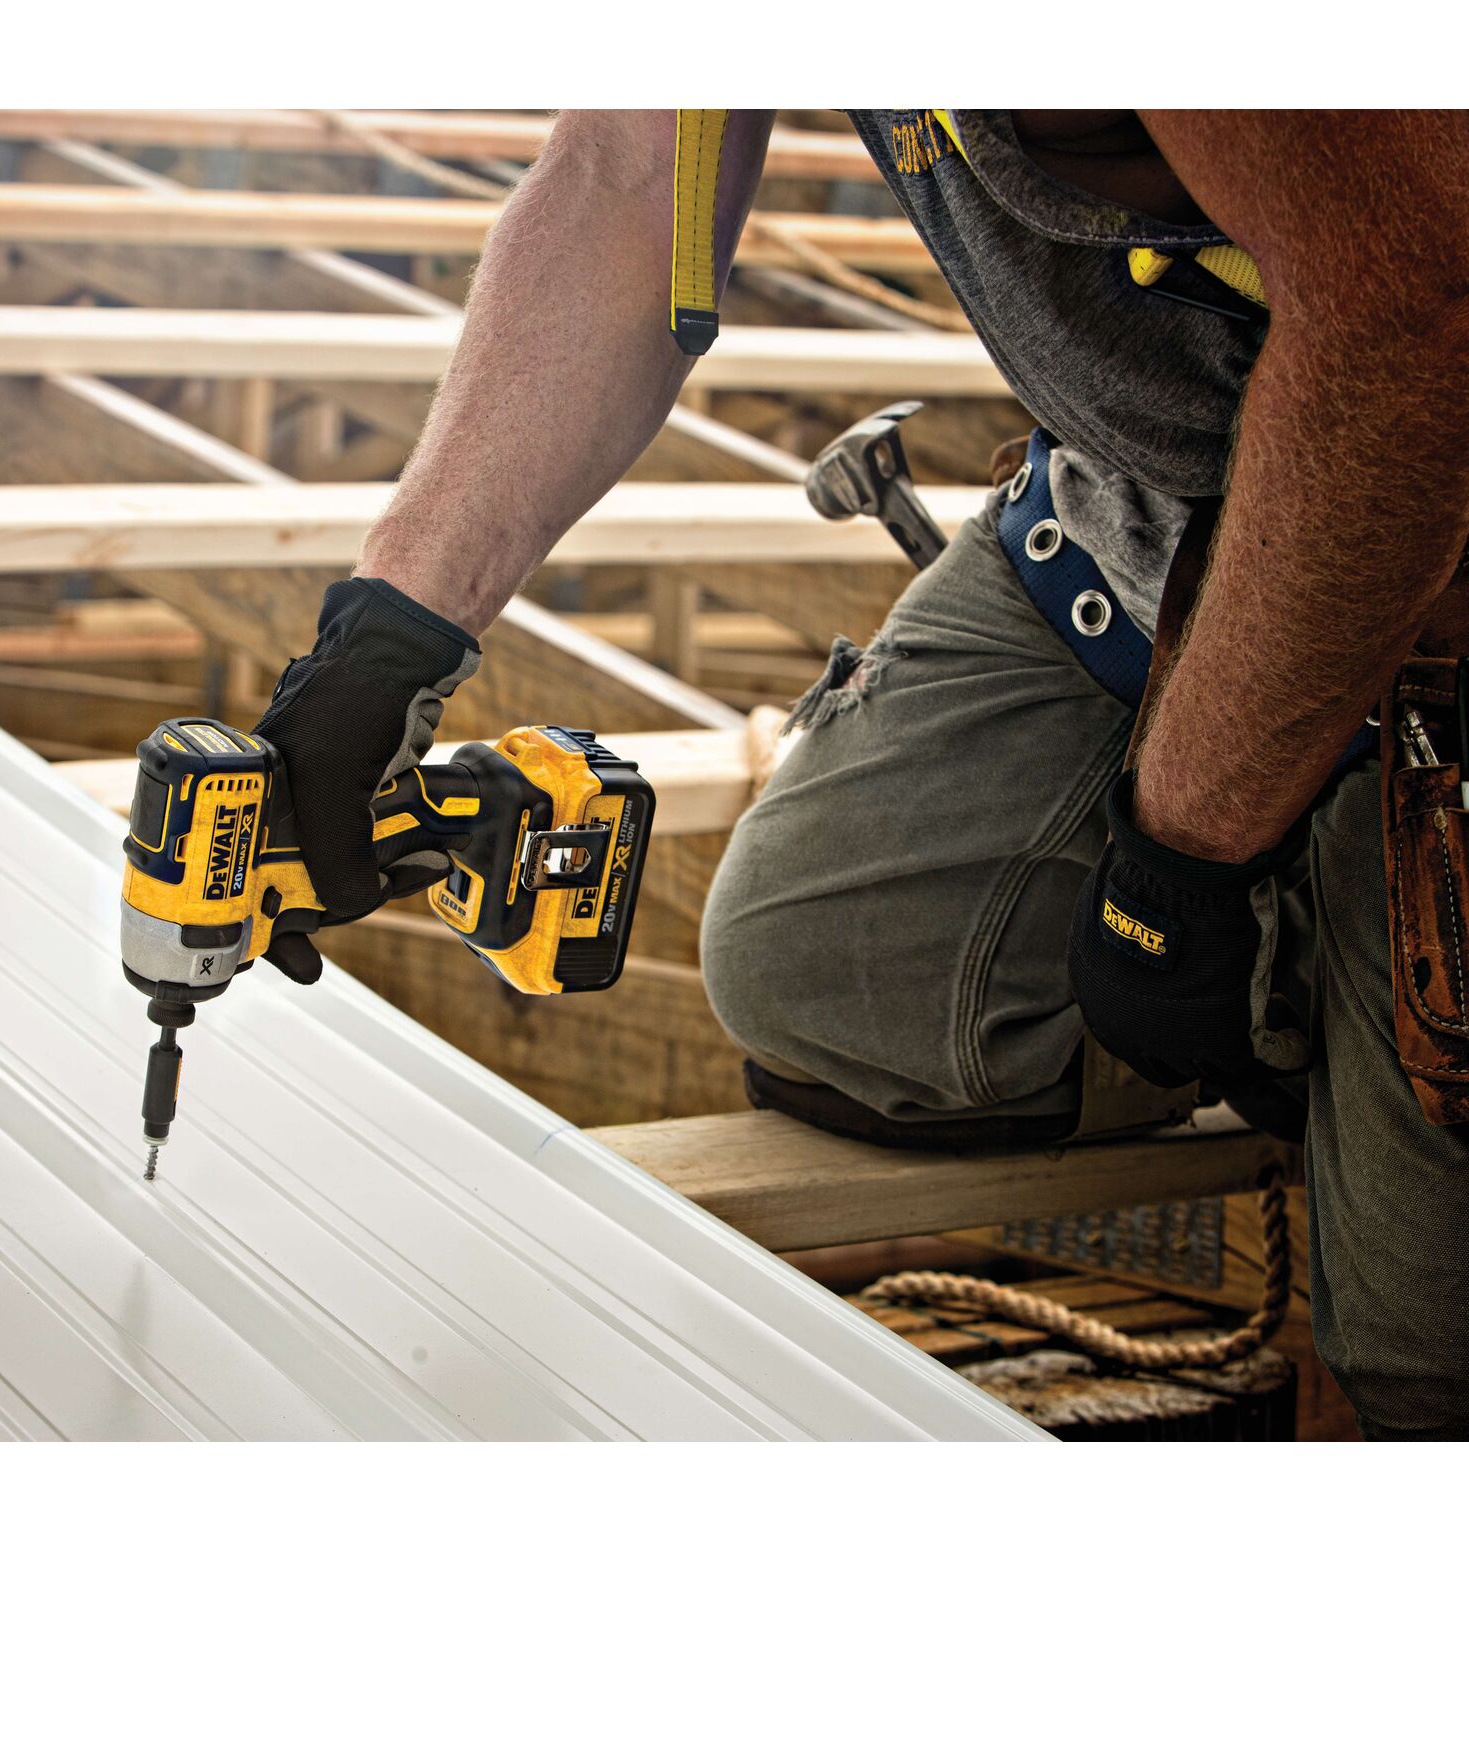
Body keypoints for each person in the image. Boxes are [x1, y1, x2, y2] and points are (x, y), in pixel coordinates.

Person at [249, 110, 1469, 1440]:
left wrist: (1183, 863)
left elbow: (1413, 306)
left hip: (1420, 475)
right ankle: (1305, 957)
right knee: (830, 974)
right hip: (1139, 503)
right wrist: (390, 633)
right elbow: (625, 171)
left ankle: (1332, 953)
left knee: (1422, 1346)